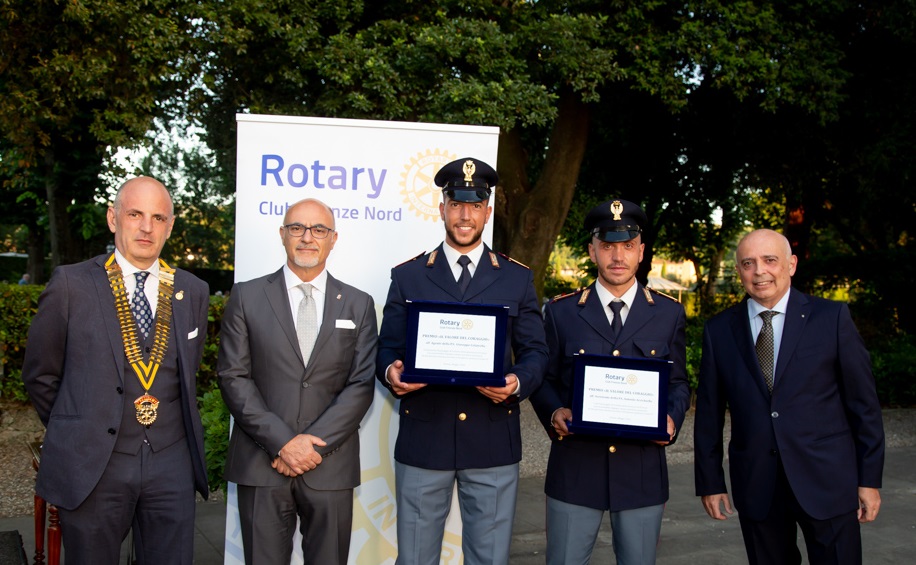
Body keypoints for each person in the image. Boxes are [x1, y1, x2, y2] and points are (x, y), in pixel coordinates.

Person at [22, 176, 210, 564]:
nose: (146, 227)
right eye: (135, 214)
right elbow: (40, 375)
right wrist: (79, 427)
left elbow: (186, 371)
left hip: (171, 464)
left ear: (170, 226)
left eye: (158, 217)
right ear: (113, 218)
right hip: (95, 464)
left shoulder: (192, 290)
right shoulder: (71, 284)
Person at [376, 157, 548, 565]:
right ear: (442, 210)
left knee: (489, 558)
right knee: (415, 558)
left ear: (487, 211)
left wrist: (516, 383)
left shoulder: (515, 278)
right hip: (425, 440)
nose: (465, 214)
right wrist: (391, 372)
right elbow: (386, 348)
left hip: (491, 440)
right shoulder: (409, 276)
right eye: (456, 204)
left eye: (474, 205)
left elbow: (536, 352)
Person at [694, 229, 885, 565]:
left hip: (827, 482)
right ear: (738, 270)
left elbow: (864, 406)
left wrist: (869, 480)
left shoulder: (831, 318)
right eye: (748, 263)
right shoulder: (719, 330)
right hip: (757, 486)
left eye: (770, 260)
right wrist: (710, 482)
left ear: (791, 265)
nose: (759, 271)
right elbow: (708, 414)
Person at [529, 199, 690, 565]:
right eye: (607, 246)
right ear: (592, 250)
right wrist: (554, 410)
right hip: (576, 469)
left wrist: (672, 419)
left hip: (641, 472)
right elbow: (543, 378)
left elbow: (679, 383)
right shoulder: (561, 311)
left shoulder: (667, 313)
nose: (618, 256)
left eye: (628, 246)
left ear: (641, 251)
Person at [218, 198, 378, 564]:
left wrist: (311, 448)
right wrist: (282, 443)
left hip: (330, 467)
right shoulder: (246, 296)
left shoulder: (358, 304)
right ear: (283, 235)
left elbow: (361, 384)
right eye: (297, 228)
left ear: (333, 239)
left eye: (318, 229)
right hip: (261, 464)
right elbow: (233, 376)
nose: (308, 237)